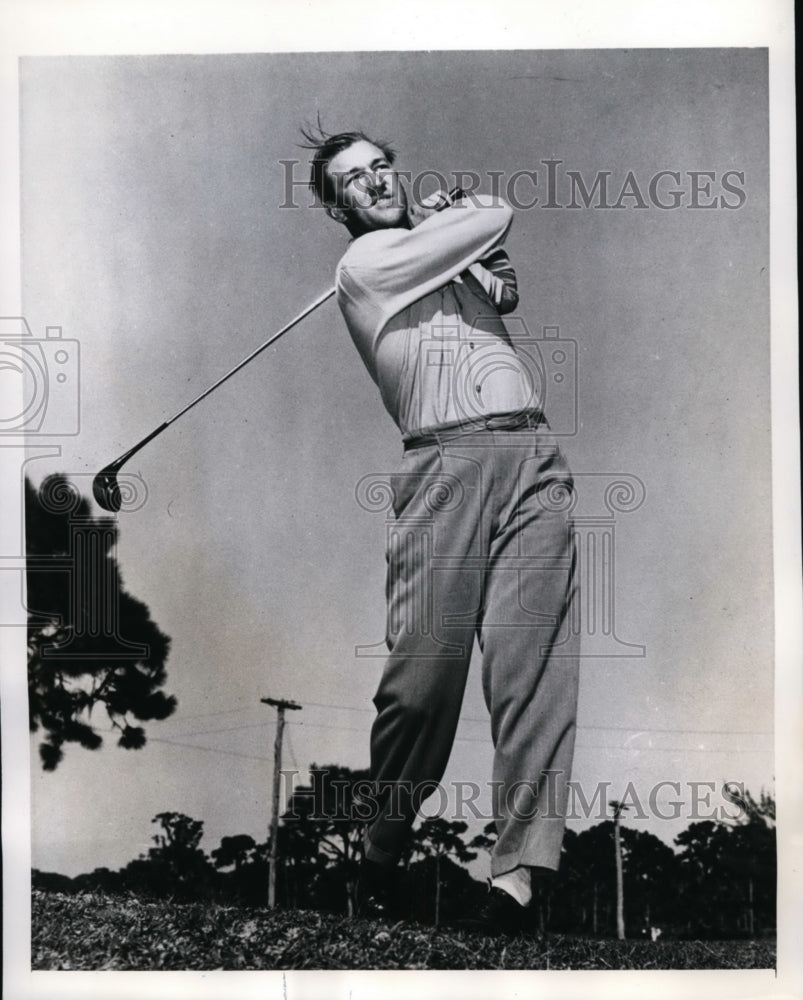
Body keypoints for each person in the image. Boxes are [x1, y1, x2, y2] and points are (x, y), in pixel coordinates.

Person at [302, 127, 580, 933]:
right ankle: (381, 848)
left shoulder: (436, 252)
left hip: (531, 454)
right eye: (354, 179)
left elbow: (503, 292)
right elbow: (495, 213)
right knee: (421, 681)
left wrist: (478, 266)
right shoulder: (364, 266)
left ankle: (521, 878)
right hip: (443, 466)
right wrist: (449, 220)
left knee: (534, 671)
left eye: (382, 167)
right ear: (335, 206)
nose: (376, 182)